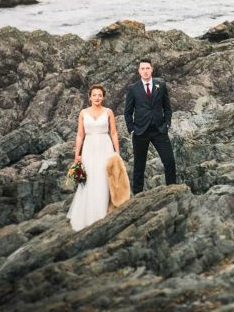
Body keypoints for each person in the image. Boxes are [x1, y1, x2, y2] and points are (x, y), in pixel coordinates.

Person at [68, 84, 120, 231]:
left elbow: (114, 133)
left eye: (100, 95)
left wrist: (117, 152)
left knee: (104, 178)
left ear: (103, 97)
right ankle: (88, 215)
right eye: (94, 95)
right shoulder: (83, 113)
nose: (97, 97)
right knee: (90, 179)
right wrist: (77, 154)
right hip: (89, 148)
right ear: (90, 97)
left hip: (105, 146)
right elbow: (80, 135)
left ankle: (104, 213)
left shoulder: (109, 112)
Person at [123, 58, 177, 194]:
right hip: (140, 132)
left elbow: (168, 108)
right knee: (139, 166)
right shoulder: (133, 89)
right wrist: (132, 129)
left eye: (148, 68)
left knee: (169, 161)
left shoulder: (161, 85)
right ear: (139, 71)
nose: (145, 71)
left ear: (152, 69)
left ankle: (172, 190)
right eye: (143, 69)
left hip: (159, 130)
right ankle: (137, 195)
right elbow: (128, 112)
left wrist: (166, 125)